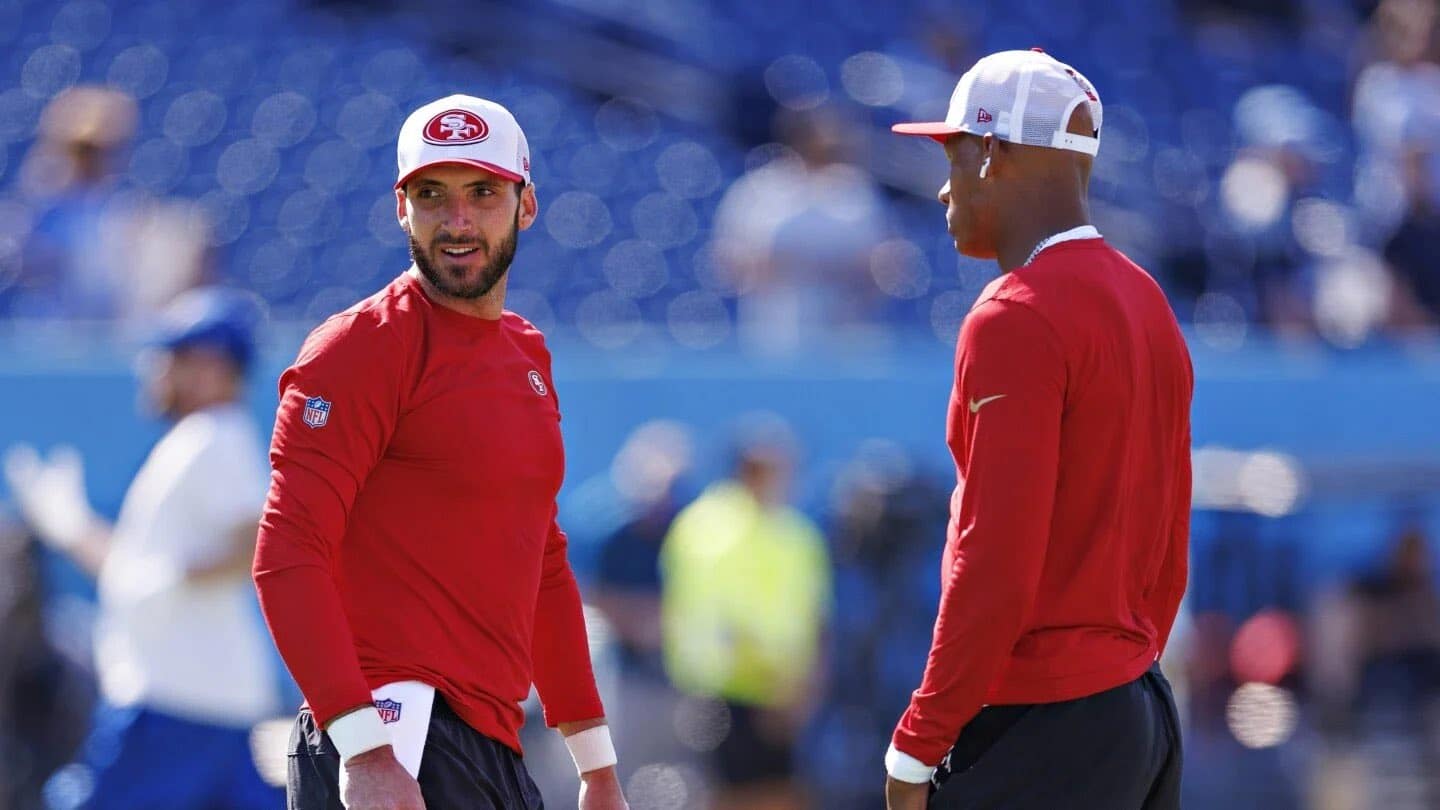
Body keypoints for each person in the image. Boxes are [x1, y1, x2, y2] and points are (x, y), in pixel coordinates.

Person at [251, 95, 628, 810]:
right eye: (432, 196)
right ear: (402, 208)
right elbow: (286, 552)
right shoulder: (360, 347)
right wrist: (363, 746)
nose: (457, 221)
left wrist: (596, 763)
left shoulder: (526, 351)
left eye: (482, 193)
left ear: (526, 204)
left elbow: (539, 560)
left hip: (486, 740)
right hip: (393, 736)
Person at [884, 49, 1194, 809]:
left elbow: (995, 556)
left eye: (953, 152)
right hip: (1138, 707)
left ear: (993, 152)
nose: (941, 183)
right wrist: (1124, 667)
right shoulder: (1146, 297)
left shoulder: (1014, 314)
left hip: (1042, 719)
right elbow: (1171, 540)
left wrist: (918, 744)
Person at [3, 287, 281, 809]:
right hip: (199, 697)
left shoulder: (214, 437)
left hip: (175, 701)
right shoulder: (199, 442)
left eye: (172, 358)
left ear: (212, 369)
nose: (154, 370)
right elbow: (132, 573)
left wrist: (174, 581)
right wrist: (72, 525)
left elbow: (259, 542)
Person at [659, 415, 831, 810]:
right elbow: (717, 617)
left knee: (783, 794)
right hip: (729, 693)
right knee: (736, 797)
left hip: (785, 695)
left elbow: (816, 615)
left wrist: (805, 688)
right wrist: (775, 686)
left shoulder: (796, 532)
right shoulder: (710, 527)